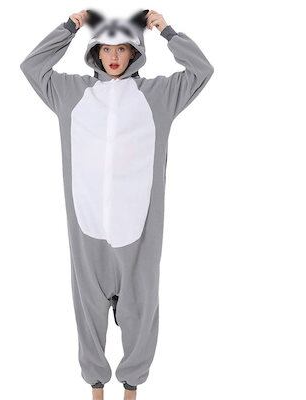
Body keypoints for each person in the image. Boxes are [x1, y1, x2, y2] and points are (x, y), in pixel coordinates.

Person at [20, 8, 214, 400]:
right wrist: (70, 26)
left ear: (134, 52)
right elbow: (32, 66)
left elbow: (201, 70)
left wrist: (167, 31)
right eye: (106, 48)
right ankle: (95, 389)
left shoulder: (158, 97)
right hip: (87, 227)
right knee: (88, 310)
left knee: (140, 311)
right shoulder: (71, 94)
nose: (113, 56)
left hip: (138, 231)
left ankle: (131, 390)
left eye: (122, 48)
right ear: (94, 51)